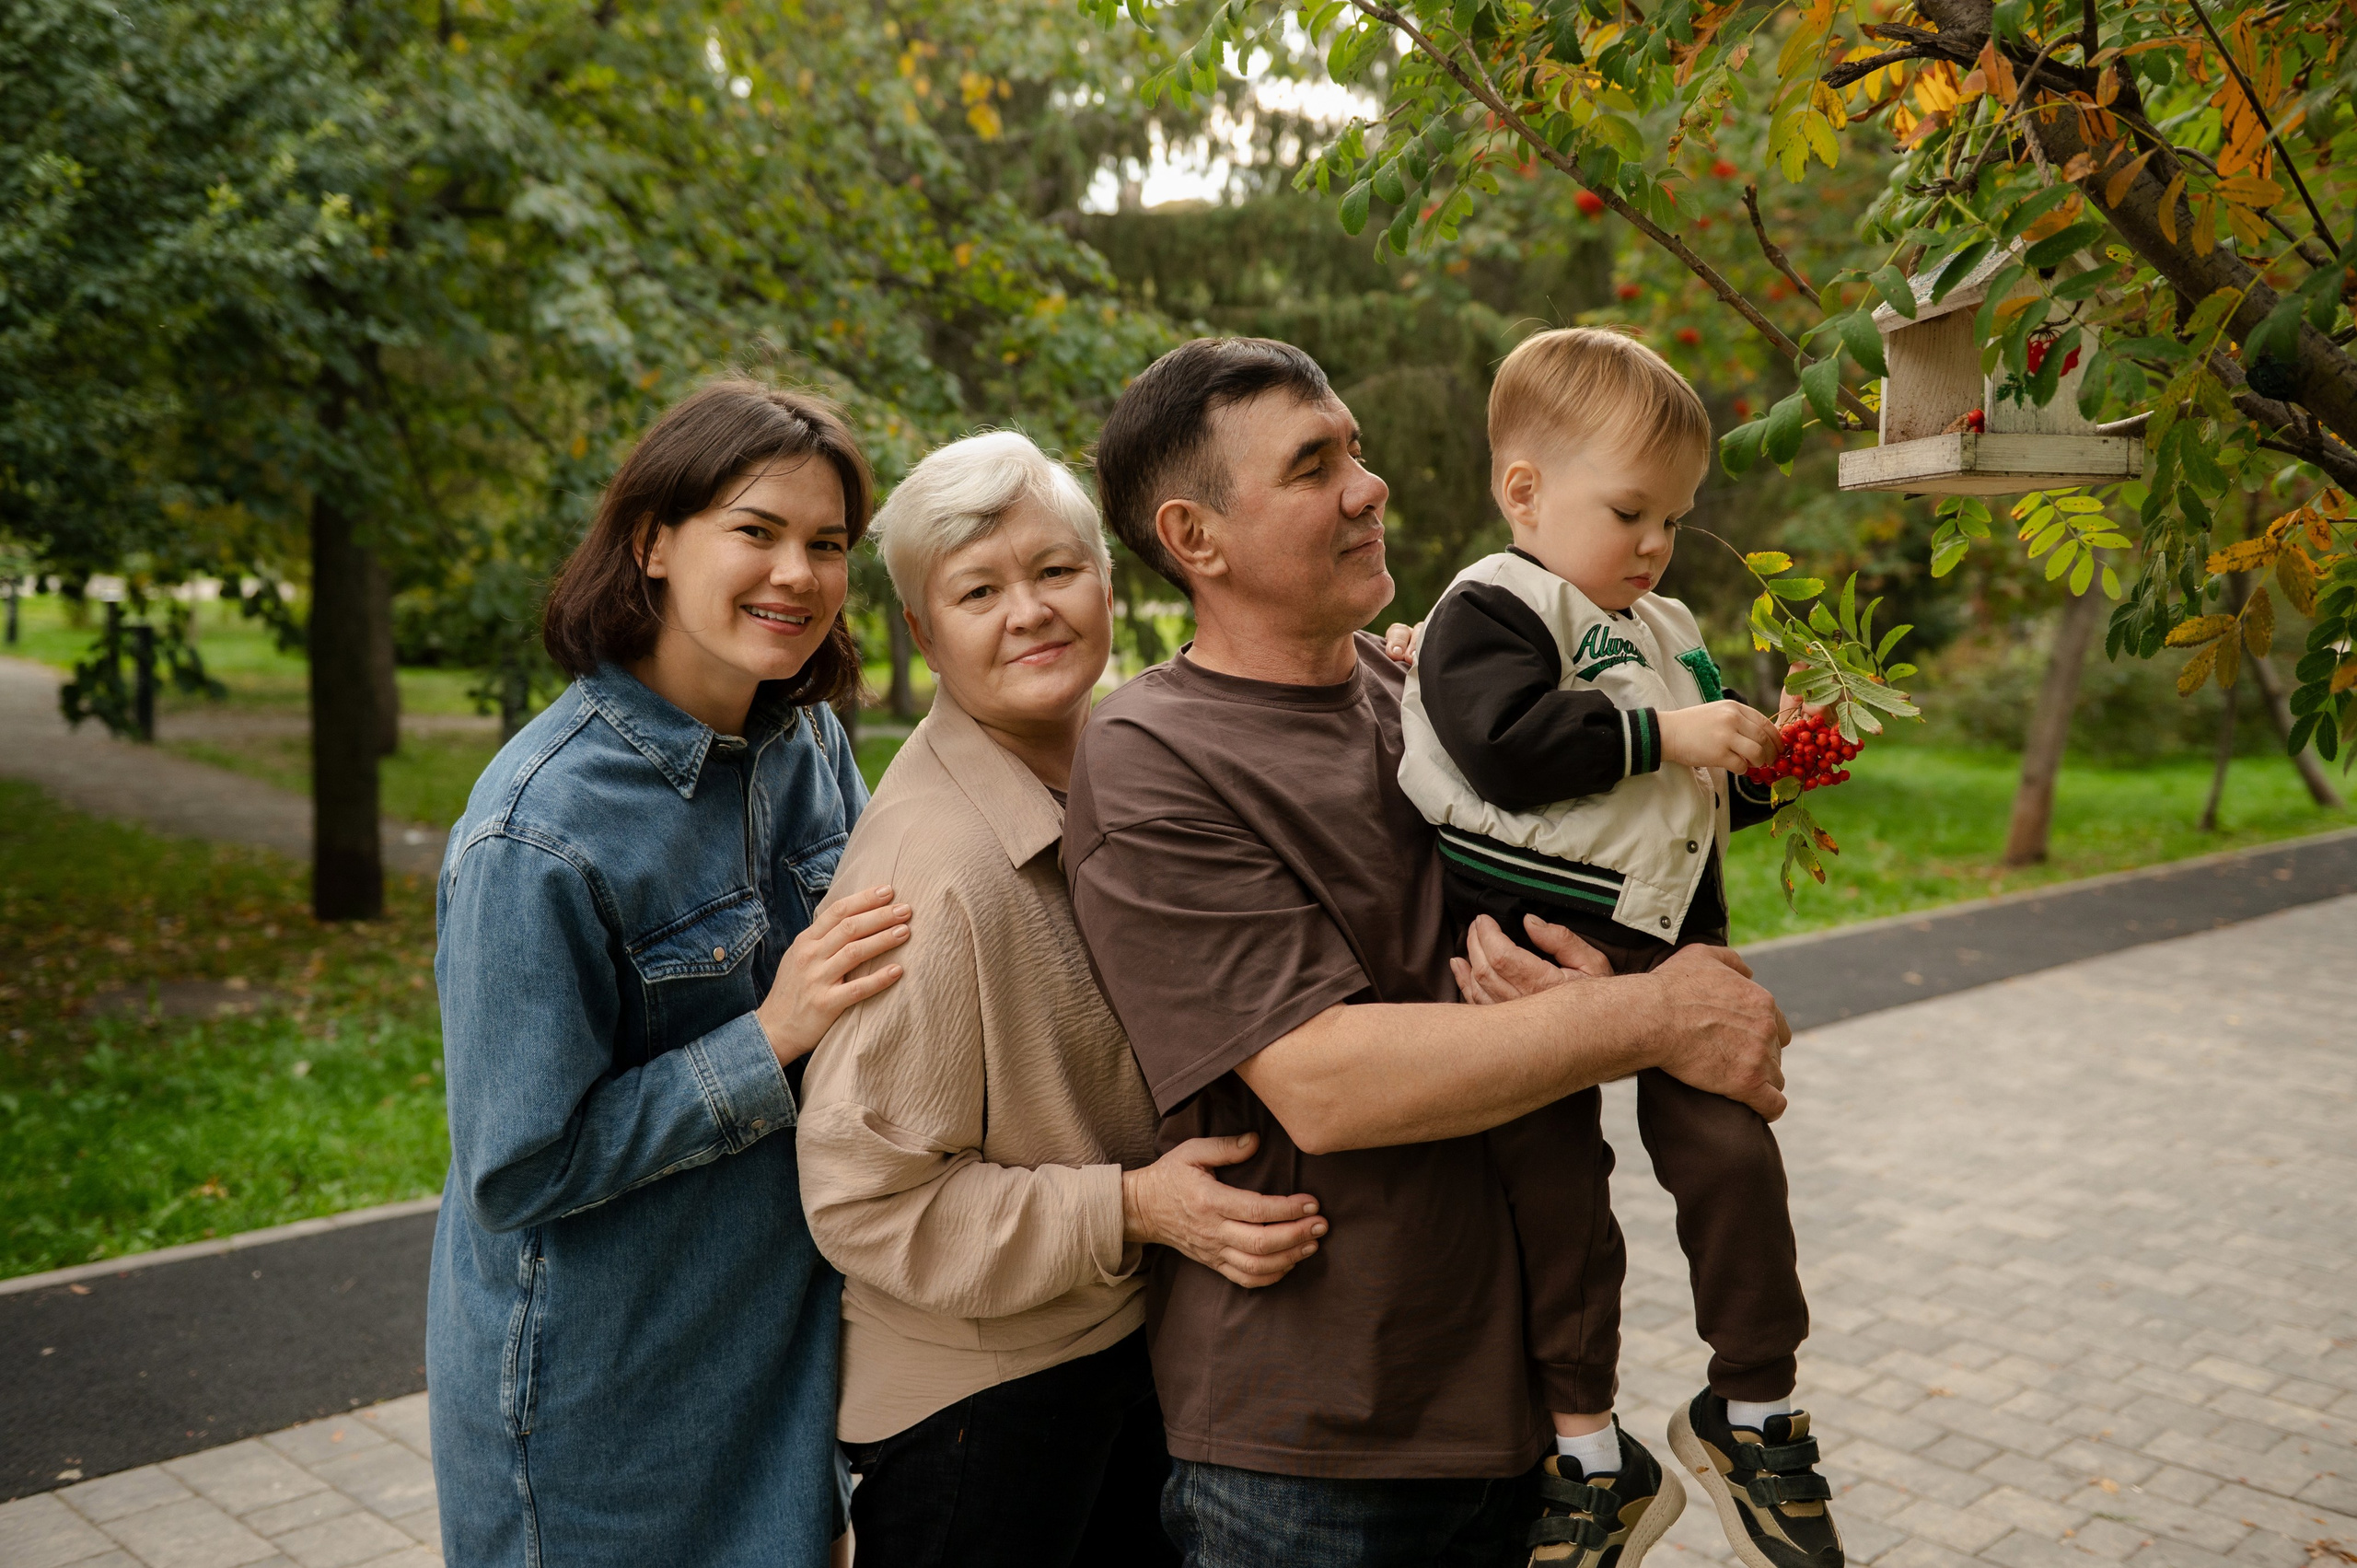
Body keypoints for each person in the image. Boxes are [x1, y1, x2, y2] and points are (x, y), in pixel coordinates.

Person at [1062, 335, 1792, 1568]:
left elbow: (1576, 920)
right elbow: (1327, 1081)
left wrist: (1629, 982)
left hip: (1523, 1423)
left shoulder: (1423, 692)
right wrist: (1655, 1015)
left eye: (1356, 447)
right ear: (1196, 538)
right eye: (1313, 465)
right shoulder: (1152, 755)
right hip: (1319, 1450)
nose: (1369, 484)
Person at [796, 431, 1327, 1568]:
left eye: (1052, 570)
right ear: (925, 635)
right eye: (978, 590)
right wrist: (1132, 1206)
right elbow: (863, 1200)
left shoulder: (1127, 755)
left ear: (1106, 582)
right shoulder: (930, 871)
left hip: (1127, 1347)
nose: (1027, 610)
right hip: (983, 1414)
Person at [426, 379, 911, 1567]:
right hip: (605, 1403)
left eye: (828, 543)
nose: (795, 572)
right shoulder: (534, 836)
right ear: (653, 541)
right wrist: (771, 1033)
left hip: (779, 1356)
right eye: (755, 530)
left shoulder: (808, 749)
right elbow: (518, 1164)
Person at [1398, 327, 1840, 1568]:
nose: (1653, 545)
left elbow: (1686, 802)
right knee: (1556, 1195)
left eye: (1675, 520)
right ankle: (1586, 1445)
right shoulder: (1492, 602)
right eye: (1632, 511)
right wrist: (1670, 736)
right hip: (1525, 957)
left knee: (1731, 1153)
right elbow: (1505, 742)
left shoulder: (1670, 625)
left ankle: (1750, 1404)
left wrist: (1774, 769)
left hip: (1669, 959)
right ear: (1526, 491)